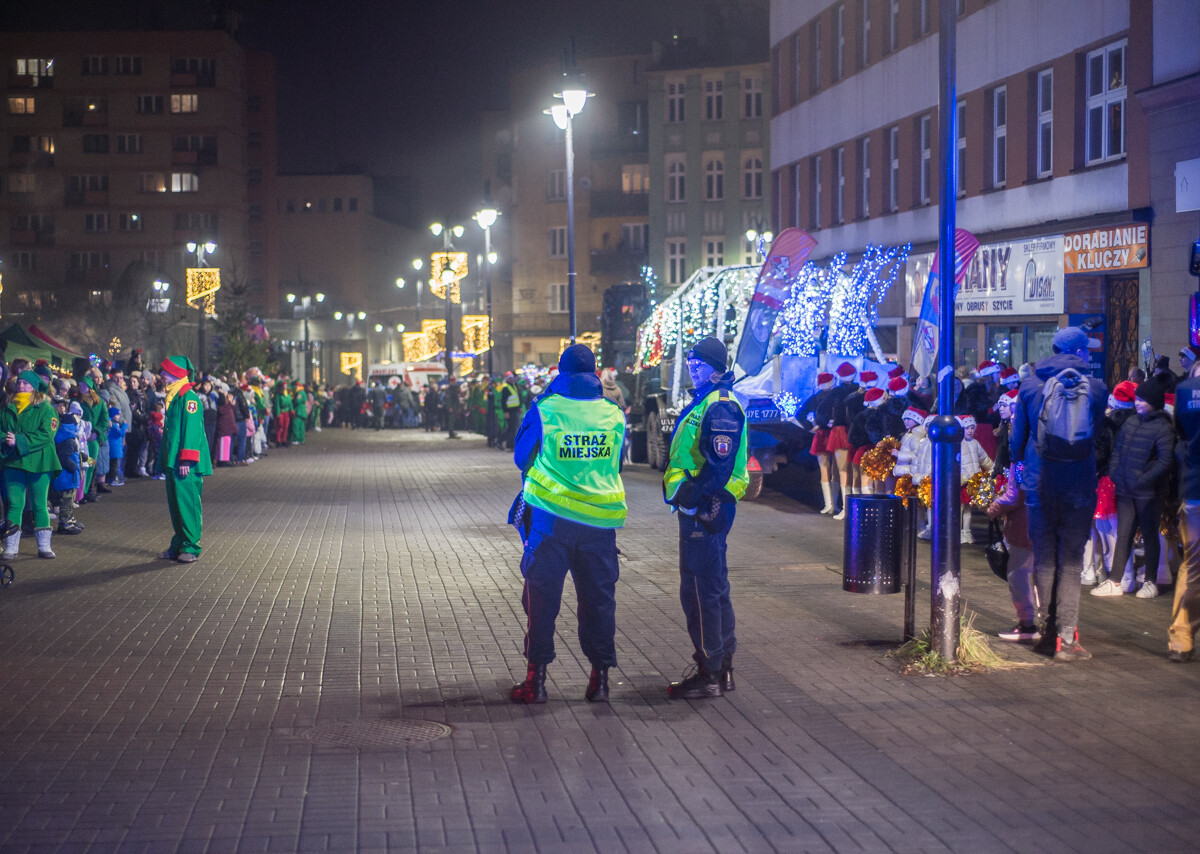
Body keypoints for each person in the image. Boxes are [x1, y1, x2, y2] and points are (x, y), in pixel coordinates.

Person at [509, 344, 626, 704]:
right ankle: (600, 680)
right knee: (599, 602)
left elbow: (520, 456)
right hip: (599, 524)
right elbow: (616, 463)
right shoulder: (613, 413)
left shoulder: (546, 409)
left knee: (542, 600)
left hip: (552, 523)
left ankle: (536, 682)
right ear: (594, 373)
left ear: (560, 371)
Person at [1009, 326, 1107, 661]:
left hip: (1041, 484)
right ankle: (1067, 639)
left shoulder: (1030, 385)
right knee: (1071, 561)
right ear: (1079, 352)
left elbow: (1016, 442)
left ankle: (1044, 632)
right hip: (1079, 485)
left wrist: (1020, 474)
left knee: (1045, 559)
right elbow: (1100, 437)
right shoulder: (1096, 387)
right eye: (1087, 350)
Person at [663, 337, 749, 699]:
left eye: (698, 363)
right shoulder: (709, 401)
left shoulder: (720, 406)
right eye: (690, 362)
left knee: (700, 592)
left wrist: (698, 500)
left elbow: (719, 465)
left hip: (706, 510)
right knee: (713, 588)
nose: (692, 367)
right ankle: (722, 668)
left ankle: (710, 672)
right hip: (704, 507)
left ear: (716, 368)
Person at [1090, 381, 1175, 599]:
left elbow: (1165, 461)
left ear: (1154, 402)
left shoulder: (1163, 427)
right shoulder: (1130, 422)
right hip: (1126, 490)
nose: (1137, 402)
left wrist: (1144, 479)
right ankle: (1116, 580)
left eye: (1142, 399)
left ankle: (1150, 581)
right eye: (1136, 398)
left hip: (1149, 493)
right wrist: (1117, 474)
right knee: (1124, 533)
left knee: (1150, 534)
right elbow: (1117, 451)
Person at [1, 370, 62, 558]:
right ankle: (11, 547)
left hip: (39, 462)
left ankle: (44, 546)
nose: (21, 386)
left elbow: (46, 434)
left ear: (34, 388)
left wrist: (18, 440)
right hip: (14, 461)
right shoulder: (7, 407)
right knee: (14, 504)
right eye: (19, 383)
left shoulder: (45, 408)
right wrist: (6, 439)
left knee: (39, 504)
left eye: (26, 384)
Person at [158, 356, 212, 563]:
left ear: (176, 374)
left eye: (166, 371)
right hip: (176, 462)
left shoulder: (189, 399)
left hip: (185, 464)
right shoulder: (176, 397)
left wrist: (186, 460)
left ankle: (191, 546)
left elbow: (192, 432)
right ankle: (179, 543)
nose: (162, 375)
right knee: (176, 506)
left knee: (187, 505)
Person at [1168, 361, 1200, 660]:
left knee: (1192, 567)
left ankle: (1182, 638)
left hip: (1194, 489)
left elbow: (1180, 432)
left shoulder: (1185, 390)